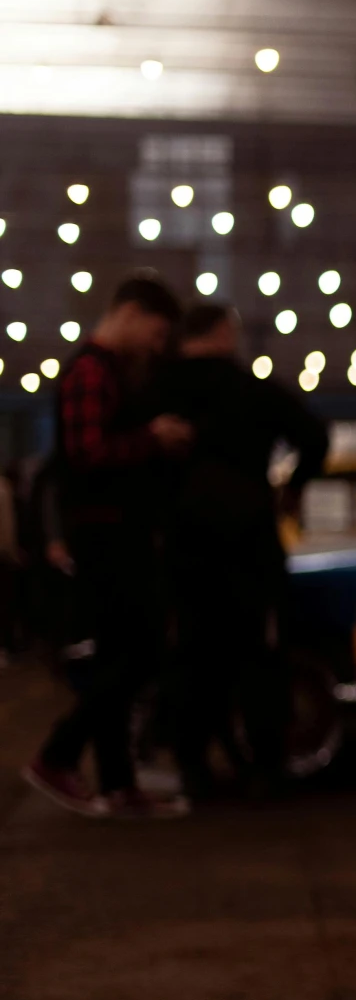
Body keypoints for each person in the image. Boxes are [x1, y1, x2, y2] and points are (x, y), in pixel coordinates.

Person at [22, 275, 190, 819]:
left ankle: (118, 785)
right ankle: (58, 753)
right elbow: (86, 452)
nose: (156, 346)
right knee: (140, 653)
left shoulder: (101, 370)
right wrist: (153, 438)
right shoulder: (93, 371)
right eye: (157, 332)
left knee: (120, 656)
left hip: (108, 533)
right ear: (133, 313)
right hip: (109, 536)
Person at [156, 304, 328, 798]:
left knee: (192, 657)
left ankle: (194, 769)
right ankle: (266, 768)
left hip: (183, 544)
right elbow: (315, 436)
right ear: (225, 333)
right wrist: (291, 489)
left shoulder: (159, 393)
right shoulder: (253, 392)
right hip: (250, 542)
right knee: (260, 655)